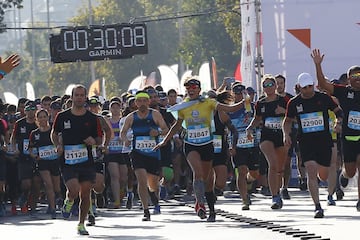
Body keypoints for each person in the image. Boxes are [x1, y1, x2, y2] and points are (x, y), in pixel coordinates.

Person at [154, 77, 246, 222]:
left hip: (207, 145)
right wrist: (165, 141)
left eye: (193, 88)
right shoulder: (184, 106)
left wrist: (244, 102)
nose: (191, 91)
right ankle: (200, 204)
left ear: (199, 89)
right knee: (198, 173)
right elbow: (177, 126)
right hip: (191, 145)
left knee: (208, 181)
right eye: (188, 89)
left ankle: (211, 210)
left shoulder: (208, 103)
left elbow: (229, 109)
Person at [283, 72, 343, 218]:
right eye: (304, 88)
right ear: (299, 87)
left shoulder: (322, 98)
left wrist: (338, 122)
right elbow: (287, 121)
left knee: (323, 175)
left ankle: (322, 183)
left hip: (324, 140)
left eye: (310, 86)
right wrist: (286, 135)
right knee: (310, 170)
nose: (308, 90)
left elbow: (338, 111)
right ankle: (317, 206)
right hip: (306, 141)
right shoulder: (294, 103)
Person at [311, 48, 360, 211]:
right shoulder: (344, 92)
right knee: (352, 171)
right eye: (354, 76)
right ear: (349, 79)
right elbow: (323, 84)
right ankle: (345, 174)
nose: (358, 78)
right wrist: (318, 65)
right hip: (348, 138)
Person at [51, 84, 103, 235]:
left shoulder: (92, 118)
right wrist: (58, 145)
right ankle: (69, 201)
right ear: (72, 97)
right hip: (68, 161)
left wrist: (94, 141)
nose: (79, 98)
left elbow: (100, 138)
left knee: (85, 193)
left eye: (82, 95)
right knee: (73, 190)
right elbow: (54, 133)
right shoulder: (62, 116)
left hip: (86, 161)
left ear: (85, 97)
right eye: (77, 95)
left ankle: (81, 224)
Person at [120, 90, 169, 221]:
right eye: (139, 101)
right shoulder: (131, 117)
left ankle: (154, 198)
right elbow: (123, 132)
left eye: (144, 101)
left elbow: (165, 129)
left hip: (153, 152)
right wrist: (125, 140)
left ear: (148, 102)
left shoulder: (155, 114)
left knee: (153, 183)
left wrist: (157, 133)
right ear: (136, 103)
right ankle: (146, 210)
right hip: (137, 152)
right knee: (141, 180)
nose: (142, 104)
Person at [246, 74, 289, 210]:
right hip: (266, 136)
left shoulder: (285, 100)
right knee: (273, 164)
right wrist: (250, 128)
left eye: (271, 85)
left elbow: (294, 117)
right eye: (266, 86)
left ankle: (279, 191)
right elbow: (257, 118)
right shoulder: (261, 103)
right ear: (263, 88)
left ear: (276, 86)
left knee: (280, 169)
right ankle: (274, 196)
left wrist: (284, 112)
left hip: (281, 136)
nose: (268, 88)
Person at [228, 84, 259, 210]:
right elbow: (227, 128)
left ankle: (249, 181)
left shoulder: (252, 107)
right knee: (241, 171)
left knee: (254, 173)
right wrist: (231, 146)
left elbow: (259, 119)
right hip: (237, 144)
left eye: (241, 93)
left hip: (252, 143)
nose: (239, 95)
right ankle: (244, 199)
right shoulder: (230, 109)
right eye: (237, 93)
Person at [29, 109, 62, 219]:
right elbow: (30, 149)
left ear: (47, 118)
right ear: (37, 119)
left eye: (44, 116)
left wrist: (59, 149)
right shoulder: (34, 134)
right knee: (49, 185)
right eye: (40, 117)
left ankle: (58, 199)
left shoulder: (53, 130)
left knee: (56, 187)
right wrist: (35, 155)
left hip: (54, 161)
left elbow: (60, 143)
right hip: (43, 162)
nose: (42, 119)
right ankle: (52, 208)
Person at [10, 100, 41, 214]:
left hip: (37, 157)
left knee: (37, 182)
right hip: (23, 157)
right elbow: (13, 138)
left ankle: (32, 206)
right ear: (24, 111)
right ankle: (23, 196)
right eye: (27, 110)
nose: (30, 112)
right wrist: (15, 149)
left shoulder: (39, 123)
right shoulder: (20, 123)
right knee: (26, 183)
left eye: (33, 110)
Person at [275, 74, 295, 200]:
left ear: (284, 84)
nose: (279, 85)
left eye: (281, 83)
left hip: (287, 134)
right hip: (272, 134)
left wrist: (284, 112)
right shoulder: (268, 98)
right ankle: (274, 188)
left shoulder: (290, 99)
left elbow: (297, 117)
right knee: (275, 163)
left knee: (286, 162)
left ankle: (284, 187)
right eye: (276, 83)